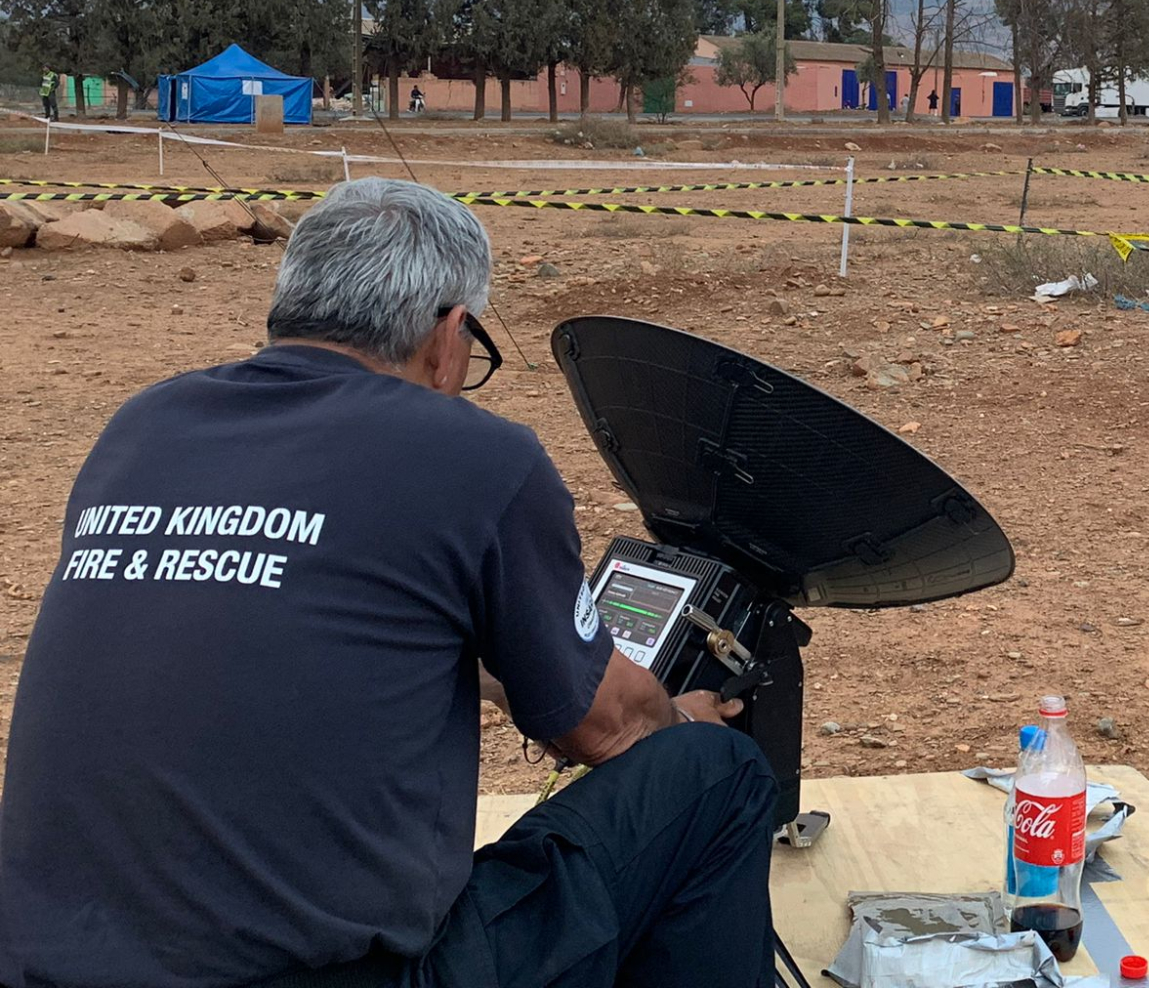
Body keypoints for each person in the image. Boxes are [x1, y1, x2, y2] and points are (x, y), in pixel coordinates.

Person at [0, 179, 777, 988]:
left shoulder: (144, 425)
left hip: (46, 963)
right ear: (448, 334)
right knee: (715, 776)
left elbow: (280, 627)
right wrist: (679, 722)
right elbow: (600, 730)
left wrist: (489, 665)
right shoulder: (477, 457)